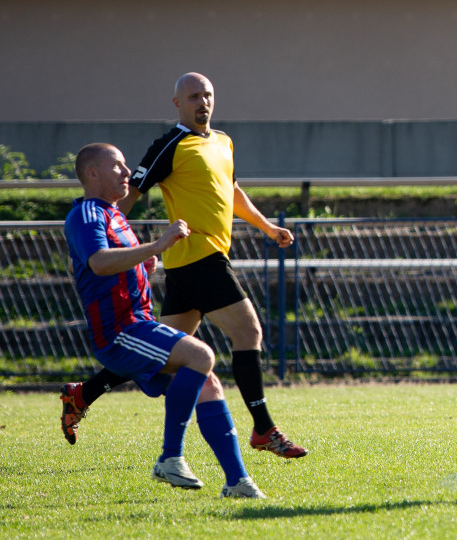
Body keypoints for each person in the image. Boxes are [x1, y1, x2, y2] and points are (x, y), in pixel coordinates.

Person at [61, 73, 307, 459]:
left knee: (160, 355)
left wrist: (267, 226)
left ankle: (83, 394)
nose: (202, 102)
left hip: (190, 265)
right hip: (198, 258)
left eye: (207, 95)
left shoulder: (223, 141)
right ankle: (264, 429)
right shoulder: (169, 145)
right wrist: (104, 244)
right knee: (248, 331)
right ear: (177, 103)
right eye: (193, 96)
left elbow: (232, 190)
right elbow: (127, 194)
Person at [64, 143, 265, 498]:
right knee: (201, 357)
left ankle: (238, 482)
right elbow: (98, 262)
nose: (127, 173)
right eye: (118, 166)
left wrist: (145, 262)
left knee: (209, 385)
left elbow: (121, 264)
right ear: (92, 174)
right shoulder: (87, 214)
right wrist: (156, 246)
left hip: (138, 324)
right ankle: (170, 457)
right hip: (119, 331)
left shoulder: (114, 215)